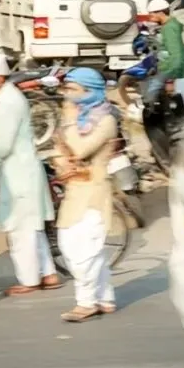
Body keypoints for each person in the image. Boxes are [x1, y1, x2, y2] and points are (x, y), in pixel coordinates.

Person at [0, 51, 59, 296]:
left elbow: (3, 146)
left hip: (19, 172)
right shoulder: (4, 98)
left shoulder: (8, 102)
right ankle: (48, 274)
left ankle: (29, 281)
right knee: (32, 227)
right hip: (20, 171)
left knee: (20, 230)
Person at [51, 68, 118, 323]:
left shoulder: (105, 120)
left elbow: (79, 148)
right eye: (67, 89)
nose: (67, 95)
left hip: (94, 192)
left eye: (73, 90)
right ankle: (105, 297)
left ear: (89, 91)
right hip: (74, 190)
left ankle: (86, 302)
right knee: (75, 245)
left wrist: (68, 120)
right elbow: (58, 146)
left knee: (83, 251)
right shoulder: (76, 117)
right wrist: (61, 163)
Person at [146, 0, 184, 114]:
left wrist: (170, 80)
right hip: (170, 70)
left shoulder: (170, 28)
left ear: (161, 13)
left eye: (151, 14)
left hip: (172, 71)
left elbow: (176, 55)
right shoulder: (170, 25)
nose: (150, 17)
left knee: (151, 93)